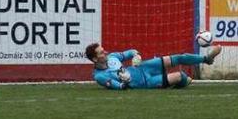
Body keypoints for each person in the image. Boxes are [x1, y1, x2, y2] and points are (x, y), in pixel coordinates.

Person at [86, 43, 222, 90]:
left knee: (177, 58)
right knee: (181, 76)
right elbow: (117, 86)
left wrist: (136, 55)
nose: (105, 52)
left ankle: (206, 59)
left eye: (103, 50)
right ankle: (182, 81)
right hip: (145, 82)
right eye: (101, 52)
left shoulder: (113, 57)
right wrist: (124, 82)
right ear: (94, 58)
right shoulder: (99, 76)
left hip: (143, 68)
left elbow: (131, 51)